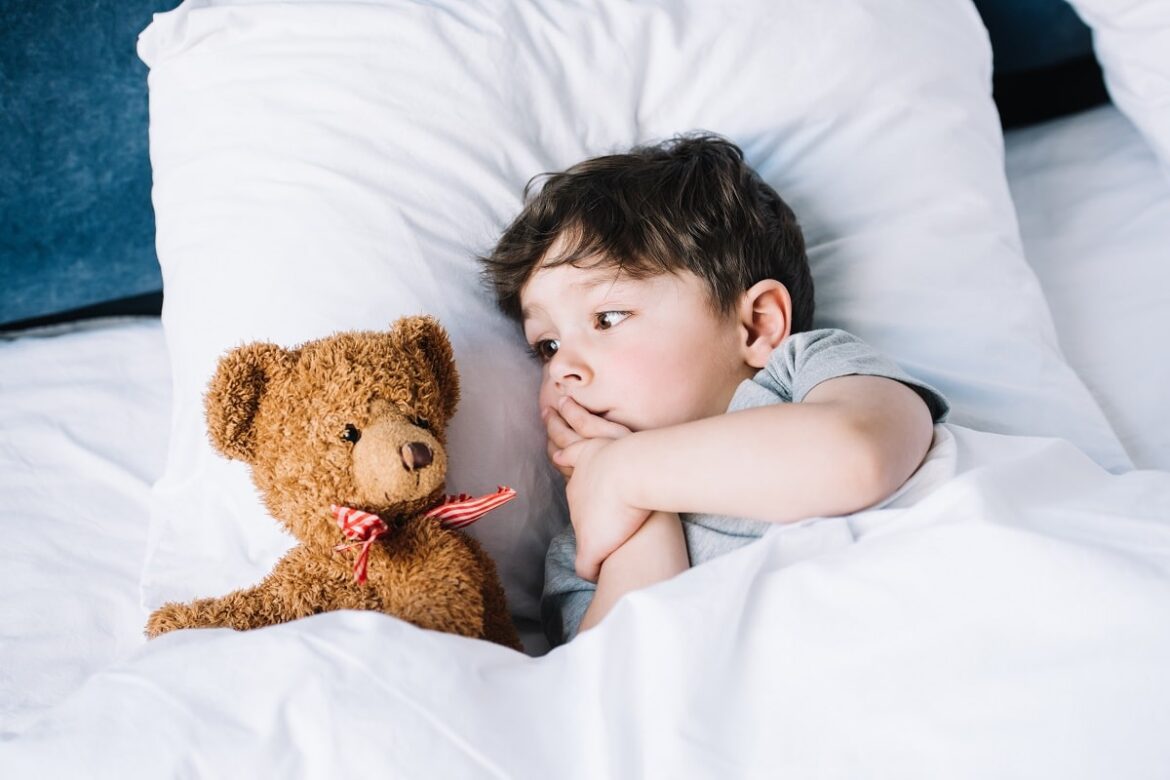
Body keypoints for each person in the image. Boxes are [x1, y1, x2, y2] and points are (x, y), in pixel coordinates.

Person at [480, 133, 949, 645]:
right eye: (546, 346)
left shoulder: (806, 375)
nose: (562, 368)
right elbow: (622, 678)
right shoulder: (590, 540)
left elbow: (861, 454)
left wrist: (627, 471)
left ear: (756, 327)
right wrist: (642, 517)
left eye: (608, 317)